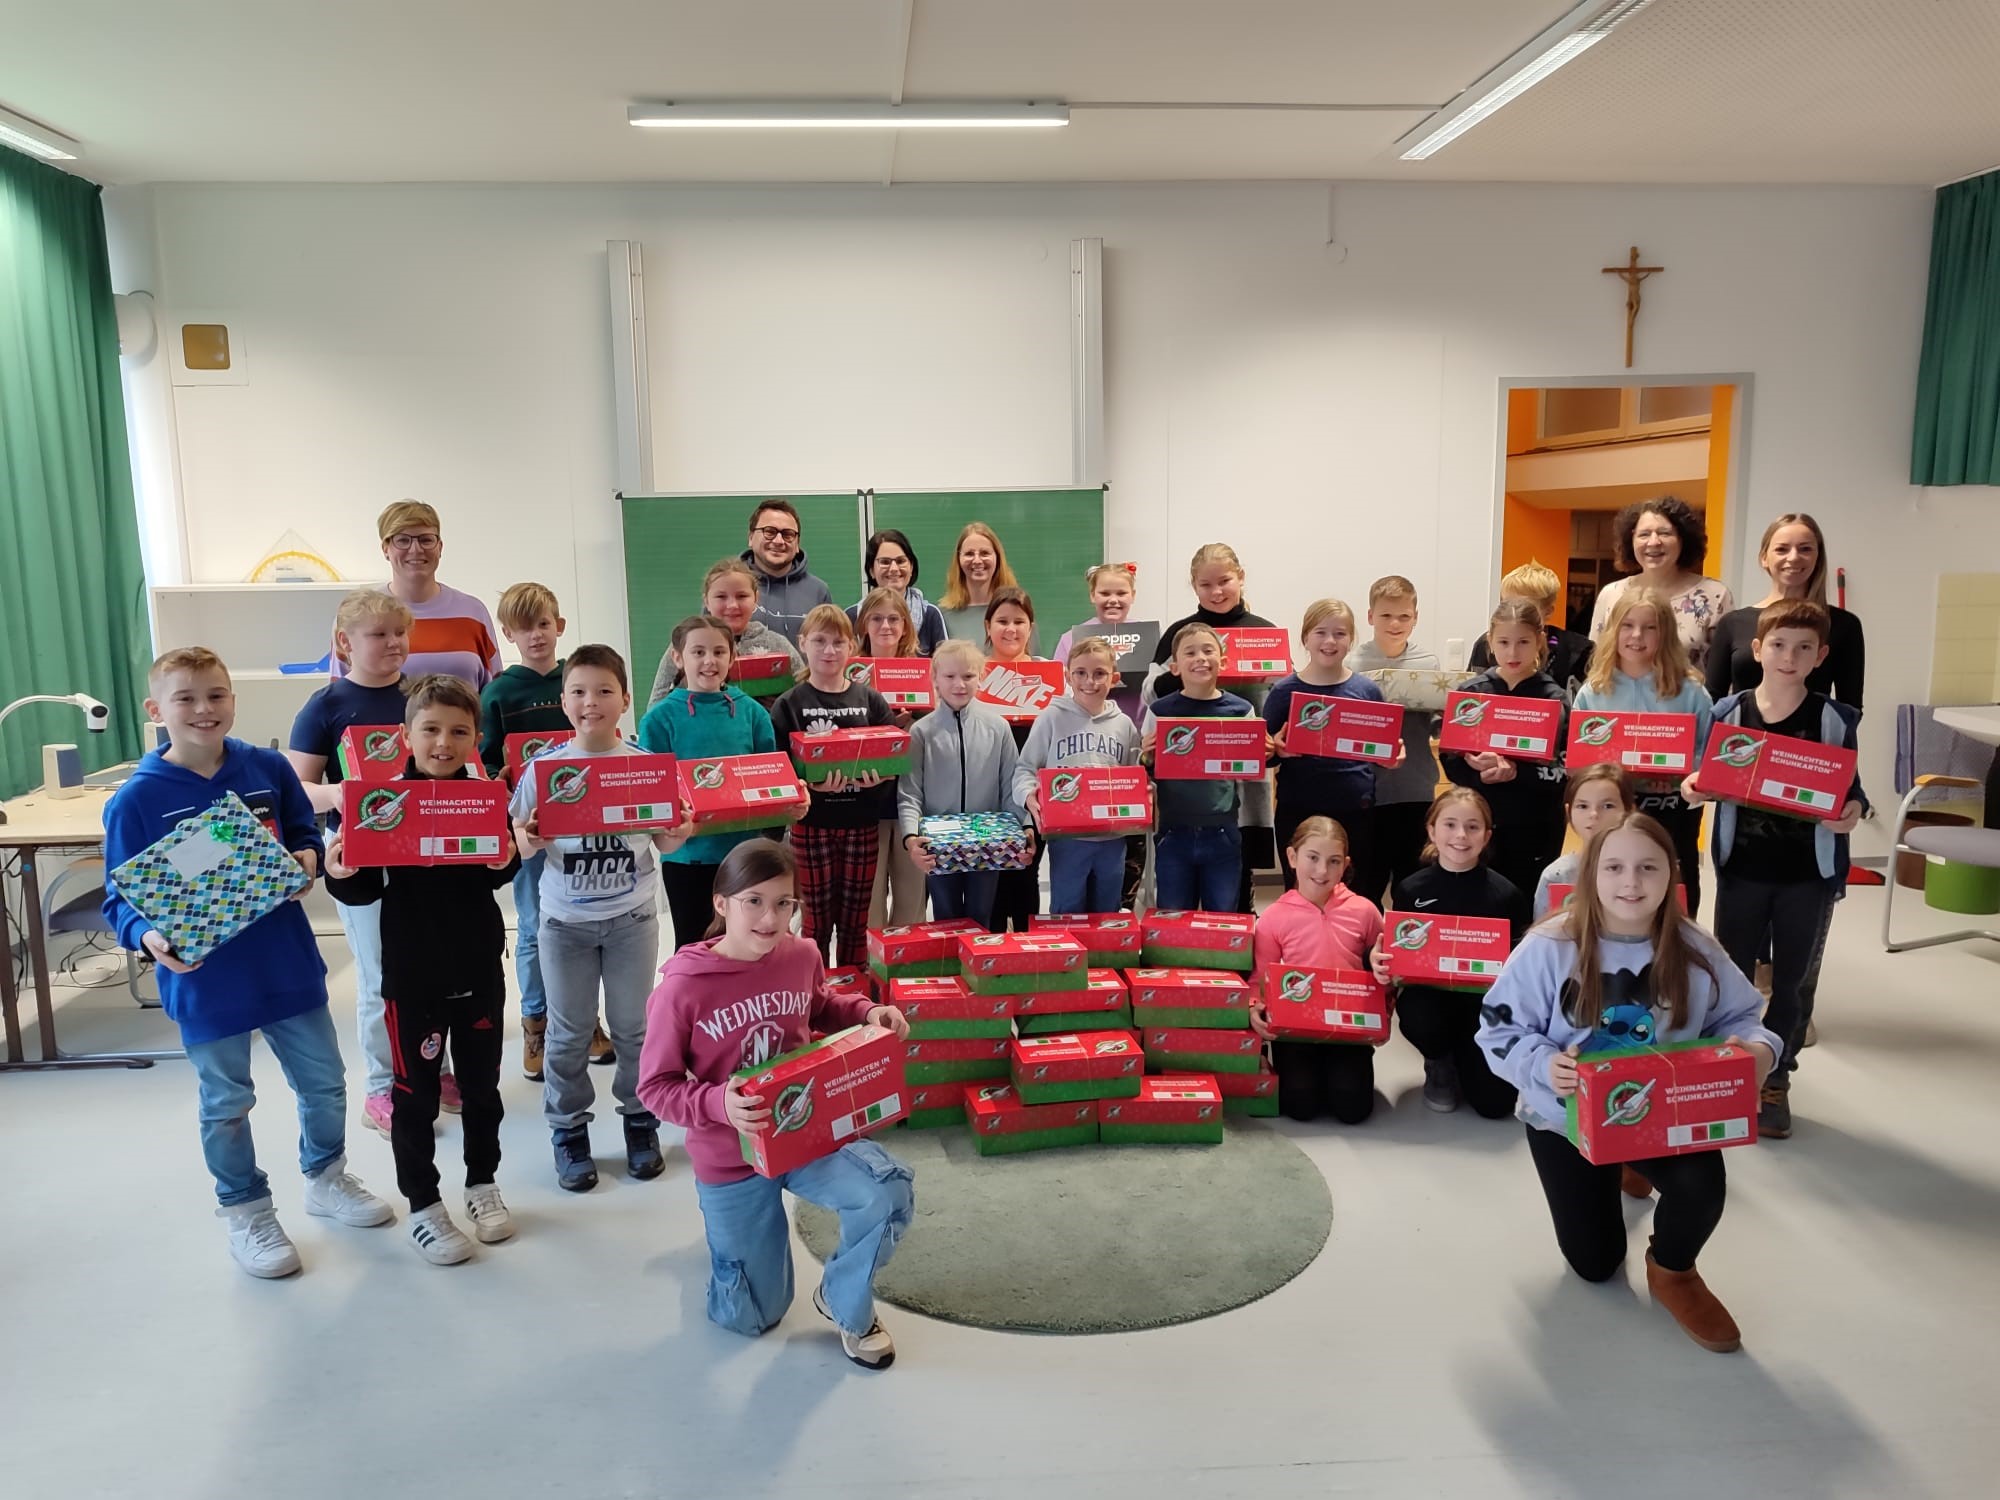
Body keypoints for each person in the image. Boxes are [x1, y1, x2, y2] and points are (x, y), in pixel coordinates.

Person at [104, 647, 392, 1278]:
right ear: (156, 710)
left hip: (286, 966)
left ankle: (327, 1177)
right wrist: (149, 938)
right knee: (225, 1103)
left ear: (233, 698)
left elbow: (302, 832)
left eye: (216, 694)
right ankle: (246, 1210)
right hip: (207, 982)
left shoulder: (266, 769)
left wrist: (309, 858)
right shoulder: (135, 802)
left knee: (323, 1085)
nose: (204, 710)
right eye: (186, 698)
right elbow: (120, 899)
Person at [1477, 813, 1782, 1354]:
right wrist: (1543, 1065)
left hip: (1662, 1118)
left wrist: (1759, 1053)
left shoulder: (1695, 947)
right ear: (1591, 874)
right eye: (1614, 867)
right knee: (1594, 1265)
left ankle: (1673, 1271)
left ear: (1672, 874)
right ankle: (1621, 1170)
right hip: (1563, 1118)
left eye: (1648, 867)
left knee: (1702, 1187)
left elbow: (1744, 1018)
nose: (1631, 883)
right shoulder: (1549, 946)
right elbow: (1498, 1028)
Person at [636, 840, 914, 1369]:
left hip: (801, 1131)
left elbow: (822, 1005)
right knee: (752, 1317)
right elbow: (654, 1088)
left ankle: (844, 1302)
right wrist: (720, 1102)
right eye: (754, 901)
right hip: (731, 1157)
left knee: (888, 1189)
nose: (771, 918)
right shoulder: (682, 988)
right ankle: (727, 1257)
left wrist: (867, 1012)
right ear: (722, 904)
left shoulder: (801, 954)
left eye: (784, 903)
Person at [323, 676, 520, 1265]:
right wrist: (340, 868)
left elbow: (492, 875)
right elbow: (360, 893)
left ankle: (482, 1186)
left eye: (459, 731)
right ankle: (425, 1205)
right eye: (430, 729)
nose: (444, 742)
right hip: (412, 981)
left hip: (478, 969)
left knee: (484, 1092)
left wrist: (506, 859)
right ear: (405, 737)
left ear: (477, 739)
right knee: (415, 1099)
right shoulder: (381, 805)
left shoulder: (487, 800)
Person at [513, 645, 693, 1193]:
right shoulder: (542, 771)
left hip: (631, 920)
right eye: (579, 691)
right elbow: (516, 846)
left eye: (604, 691)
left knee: (635, 1029)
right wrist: (527, 840)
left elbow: (664, 838)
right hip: (564, 924)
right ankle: (569, 1131)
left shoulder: (644, 766)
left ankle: (640, 1121)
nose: (591, 702)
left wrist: (680, 831)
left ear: (625, 699)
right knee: (568, 1034)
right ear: (564, 700)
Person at [1683, 599, 1865, 1140]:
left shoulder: (1835, 720)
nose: (1790, 656)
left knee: (1792, 983)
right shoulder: (1728, 714)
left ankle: (1775, 1080)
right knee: (1731, 976)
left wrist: (1855, 812)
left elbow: (1852, 794)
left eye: (1804, 648)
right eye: (1779, 645)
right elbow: (1700, 776)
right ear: (1758, 650)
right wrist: (1695, 787)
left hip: (1807, 878)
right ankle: (1726, 1074)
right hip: (1741, 869)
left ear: (1821, 656)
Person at [285, 588, 416, 1137]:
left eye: (399, 633)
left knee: (434, 969)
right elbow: (294, 786)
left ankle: (435, 1071)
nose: (392, 643)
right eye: (378, 634)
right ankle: (383, 1088)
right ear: (345, 642)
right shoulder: (326, 706)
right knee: (379, 977)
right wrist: (342, 796)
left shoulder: (425, 696)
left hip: (426, 855)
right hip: (361, 859)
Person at [480, 581, 610, 1080]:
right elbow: (488, 765)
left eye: (543, 624)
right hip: (529, 828)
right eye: (522, 627)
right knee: (535, 927)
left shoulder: (577, 681)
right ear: (508, 633)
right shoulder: (499, 692)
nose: (535, 635)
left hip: (586, 827)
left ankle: (584, 1020)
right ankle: (537, 1022)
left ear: (559, 626)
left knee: (585, 925)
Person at [1368, 787, 1528, 1117]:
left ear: (1486, 835)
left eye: (1472, 826)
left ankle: (1471, 1059)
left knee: (1494, 1106)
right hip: (1432, 1002)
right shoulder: (1412, 889)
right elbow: (1398, 953)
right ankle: (1439, 1061)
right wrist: (1380, 960)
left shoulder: (1507, 895)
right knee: (1421, 1016)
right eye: (1450, 824)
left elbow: (1520, 967)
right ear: (1431, 830)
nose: (1460, 835)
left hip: (1484, 1009)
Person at [636, 616, 790, 952]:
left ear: (732, 657)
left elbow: (771, 777)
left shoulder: (752, 714)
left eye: (720, 652)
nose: (710, 661)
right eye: (698, 652)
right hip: (687, 859)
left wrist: (789, 805)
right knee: (694, 949)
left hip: (745, 857)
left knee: (750, 949)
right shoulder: (658, 719)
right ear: (678, 658)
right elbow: (653, 792)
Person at [1147, 543, 1279, 909]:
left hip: (1240, 781)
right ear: (1194, 586)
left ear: (1241, 578)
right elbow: (1150, 692)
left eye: (1225, 581)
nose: (1217, 591)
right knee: (1180, 899)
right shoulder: (1179, 634)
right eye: (1206, 585)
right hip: (1186, 785)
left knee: (1235, 885)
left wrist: (1271, 745)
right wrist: (1194, 672)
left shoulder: (1264, 634)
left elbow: (1281, 698)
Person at [769, 605, 898, 967]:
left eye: (838, 642)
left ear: (852, 646)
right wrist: (807, 785)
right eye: (820, 641)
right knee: (816, 922)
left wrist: (880, 779)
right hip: (812, 827)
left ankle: (851, 997)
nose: (829, 650)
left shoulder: (870, 700)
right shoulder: (789, 704)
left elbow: (891, 756)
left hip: (861, 824)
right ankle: (813, 995)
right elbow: (779, 769)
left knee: (857, 921)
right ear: (802, 643)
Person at [1573, 587, 1715, 916]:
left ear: (1665, 633)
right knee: (1615, 882)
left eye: (1650, 627)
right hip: (1613, 814)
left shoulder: (1690, 690)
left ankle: (1677, 955)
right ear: (1613, 631)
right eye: (1627, 625)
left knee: (1675, 885)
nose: (1637, 636)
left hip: (1675, 812)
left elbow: (1708, 754)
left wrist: (1686, 774)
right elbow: (1580, 760)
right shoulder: (1593, 692)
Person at [1250, 818, 1385, 1124]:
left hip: (1348, 1027)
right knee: (1300, 1107)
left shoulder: (1364, 910)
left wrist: (1383, 1015)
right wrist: (1253, 1010)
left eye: (1333, 861)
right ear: (1292, 857)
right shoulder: (1273, 918)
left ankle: (1342, 1075)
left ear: (1345, 864)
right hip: (1297, 1028)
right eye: (1313, 858)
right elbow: (1259, 979)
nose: (1322, 871)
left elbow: (1382, 971)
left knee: (1353, 1110)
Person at [1443, 599, 1571, 904]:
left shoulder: (1554, 700)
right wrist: (1476, 768)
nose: (1513, 653)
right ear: (1490, 642)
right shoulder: (1470, 695)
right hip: (1477, 827)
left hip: (1536, 827)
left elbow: (1565, 769)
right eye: (1504, 642)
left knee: (1526, 907)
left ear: (1539, 641)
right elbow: (1449, 759)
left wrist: (1517, 771)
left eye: (1523, 642)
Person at [1265, 598, 1394, 897]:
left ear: (1351, 640)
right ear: (1305, 638)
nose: (1330, 641)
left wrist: (1391, 755)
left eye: (1340, 633)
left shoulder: (1367, 691)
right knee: (1299, 893)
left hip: (1354, 809)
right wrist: (1276, 749)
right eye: (1321, 632)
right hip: (1299, 807)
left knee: (1351, 894)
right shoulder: (1284, 691)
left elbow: (1382, 749)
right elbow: (1265, 753)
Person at [899, 640, 1026, 929]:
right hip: (938, 847)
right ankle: (950, 974)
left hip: (990, 845)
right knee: (946, 918)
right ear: (935, 679)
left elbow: (1011, 786)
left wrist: (1024, 827)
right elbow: (909, 793)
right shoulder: (921, 732)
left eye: (968, 676)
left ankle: (979, 971)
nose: (959, 684)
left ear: (981, 678)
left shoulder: (998, 727)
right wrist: (910, 838)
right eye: (950, 676)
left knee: (984, 918)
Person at [1016, 635, 1143, 915]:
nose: (1090, 681)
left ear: (1115, 677)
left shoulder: (1124, 725)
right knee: (1066, 911)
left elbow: (1136, 778)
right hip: (1067, 838)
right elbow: (1025, 767)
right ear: (1068, 676)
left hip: (1112, 838)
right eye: (1081, 673)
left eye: (1100, 673)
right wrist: (1028, 795)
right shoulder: (1051, 718)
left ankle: (1103, 960)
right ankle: (1069, 960)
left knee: (1106, 913)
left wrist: (1146, 794)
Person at [1141, 623, 1263, 913]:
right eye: (1190, 652)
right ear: (1174, 667)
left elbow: (1251, 772)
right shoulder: (1160, 711)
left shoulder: (1241, 711)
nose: (1200, 658)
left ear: (1223, 661)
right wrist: (1147, 756)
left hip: (1223, 831)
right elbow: (1146, 770)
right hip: (1173, 831)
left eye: (1208, 651)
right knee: (1172, 917)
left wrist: (1261, 751)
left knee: (1221, 917)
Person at [334, 499, 501, 689]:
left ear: (440, 547)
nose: (415, 549)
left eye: (426, 539)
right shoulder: (357, 615)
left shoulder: (473, 612)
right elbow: (339, 697)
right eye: (403, 540)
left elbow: (494, 695)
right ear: (385, 549)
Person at [1704, 512, 1865, 709]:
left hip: (1810, 738)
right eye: (1782, 549)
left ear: (1818, 557)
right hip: (1743, 739)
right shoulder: (1733, 623)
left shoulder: (1843, 624)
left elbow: (1850, 708)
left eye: (1805, 549)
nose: (1794, 557)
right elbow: (1712, 700)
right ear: (1764, 558)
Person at [1346, 576, 1442, 906]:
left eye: (1404, 616)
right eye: (1386, 616)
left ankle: (1404, 955)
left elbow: (1436, 724)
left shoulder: (1429, 665)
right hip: (1366, 792)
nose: (1395, 623)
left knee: (1412, 887)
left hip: (1415, 791)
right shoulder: (1350, 664)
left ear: (1415, 617)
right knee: (1365, 887)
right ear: (1370, 616)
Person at [851, 587, 927, 927]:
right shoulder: (848, 675)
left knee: (912, 904)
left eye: (894, 618)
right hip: (868, 801)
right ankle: (873, 975)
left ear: (906, 626)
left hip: (913, 798)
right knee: (870, 905)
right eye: (877, 618)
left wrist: (916, 720)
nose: (886, 626)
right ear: (863, 625)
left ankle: (908, 977)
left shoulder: (925, 673)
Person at [1587, 496, 1733, 662]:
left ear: (1683, 539)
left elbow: (1724, 674)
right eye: (1644, 534)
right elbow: (1597, 662)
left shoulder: (1715, 596)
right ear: (1631, 539)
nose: (1654, 542)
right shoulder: (1611, 594)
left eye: (1664, 533)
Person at [648, 557, 804, 711]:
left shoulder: (777, 644)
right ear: (707, 601)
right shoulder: (687, 644)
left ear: (756, 598)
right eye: (721, 597)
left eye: (742, 596)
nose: (732, 605)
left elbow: (805, 699)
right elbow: (656, 705)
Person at [984, 587, 1050, 931]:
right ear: (987, 626)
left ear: (1031, 626)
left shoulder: (1050, 675)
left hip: (1034, 788)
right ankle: (993, 956)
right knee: (994, 873)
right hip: (988, 786)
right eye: (1002, 621)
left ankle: (1029, 951)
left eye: (1019, 621)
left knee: (1027, 868)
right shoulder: (974, 674)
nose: (1011, 629)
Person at [1468, 561, 1594, 691]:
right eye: (1507, 605)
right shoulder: (1485, 644)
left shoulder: (1579, 652)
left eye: (1526, 608)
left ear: (1548, 611)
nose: (1515, 613)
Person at [1533, 763, 1637, 919]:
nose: (1593, 814)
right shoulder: (1557, 875)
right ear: (1569, 812)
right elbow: (1542, 936)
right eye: (1582, 806)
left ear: (1629, 811)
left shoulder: (1648, 869)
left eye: (1608, 806)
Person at [742, 499, 833, 646]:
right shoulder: (727, 587)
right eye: (769, 532)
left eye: (788, 534)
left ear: (797, 543)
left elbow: (829, 647)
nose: (779, 541)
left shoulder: (818, 591)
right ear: (751, 537)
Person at [847, 529, 947, 655]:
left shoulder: (930, 615)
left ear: (911, 567)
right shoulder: (852, 616)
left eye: (900, 561)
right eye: (885, 562)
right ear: (871, 570)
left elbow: (946, 665)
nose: (894, 569)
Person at [938, 521, 1035, 651]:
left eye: (984, 553)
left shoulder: (1019, 610)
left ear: (997, 558)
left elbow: (1034, 662)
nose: (977, 560)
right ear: (958, 559)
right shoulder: (941, 616)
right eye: (969, 554)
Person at [1051, 562, 1138, 668]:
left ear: (1133, 596)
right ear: (1092, 595)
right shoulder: (1071, 639)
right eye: (1105, 593)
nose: (1113, 600)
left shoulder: (1149, 635)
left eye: (1121, 593)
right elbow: (1060, 681)